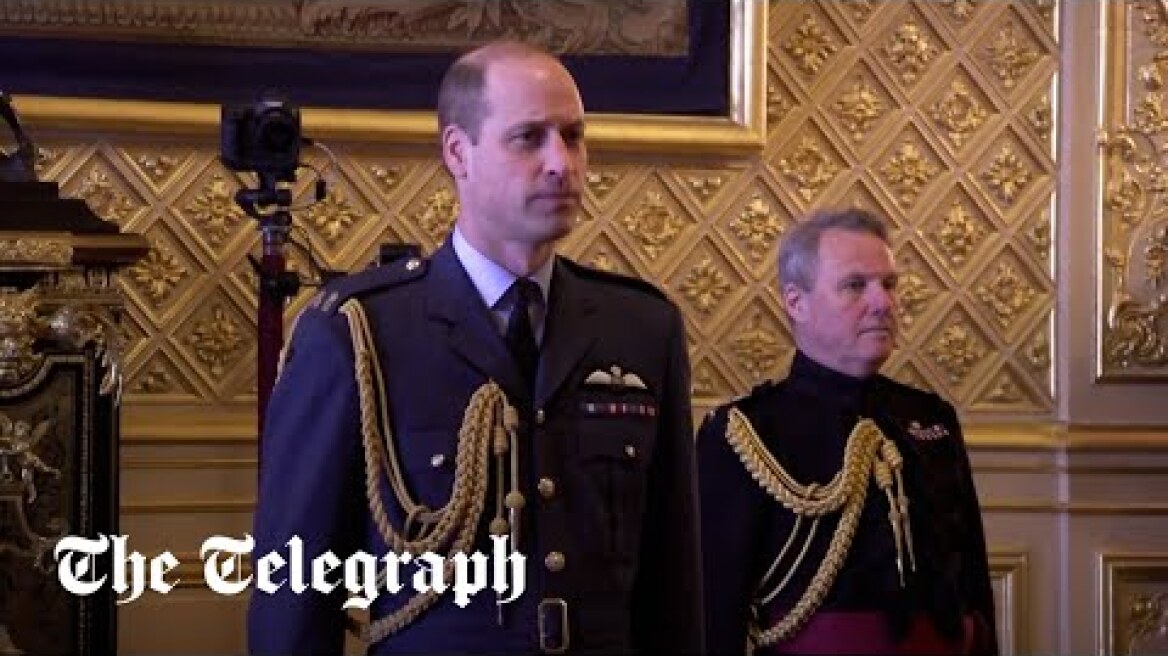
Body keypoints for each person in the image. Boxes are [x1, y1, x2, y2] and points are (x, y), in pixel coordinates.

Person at [247, 40, 703, 655]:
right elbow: (295, 590)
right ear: (459, 152)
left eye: (573, 136)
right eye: (529, 138)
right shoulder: (360, 334)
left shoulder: (642, 328)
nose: (560, 163)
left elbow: (671, 586)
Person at [697, 208, 998, 655]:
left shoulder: (931, 419)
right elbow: (715, 612)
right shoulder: (746, 433)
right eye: (855, 286)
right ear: (796, 302)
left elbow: (973, 590)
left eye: (889, 284)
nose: (882, 303)